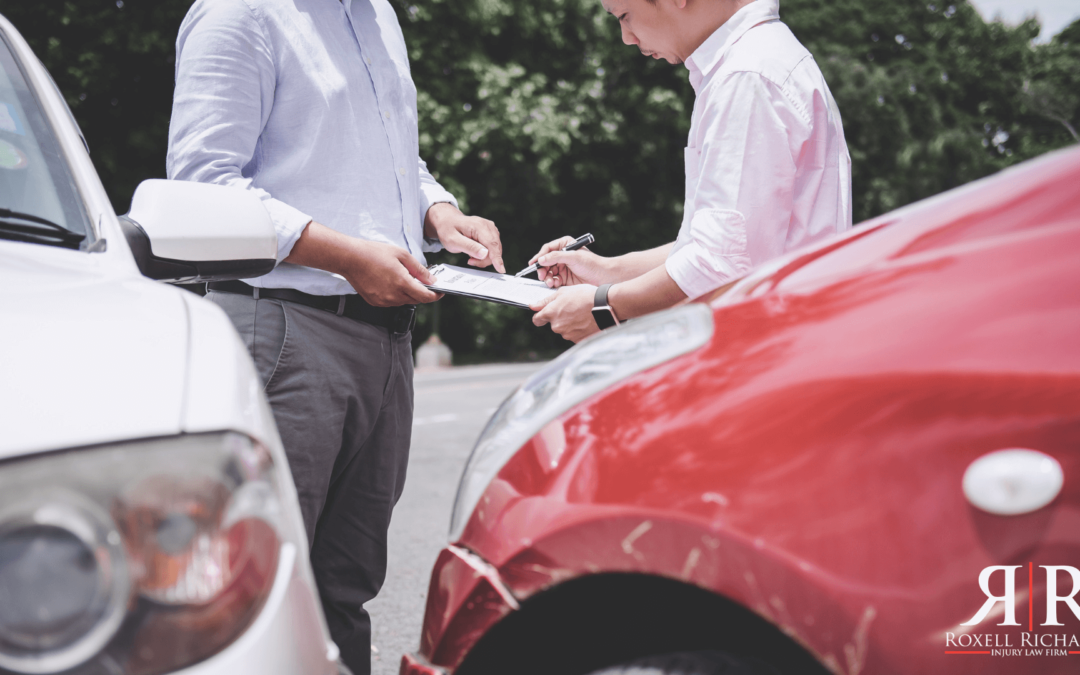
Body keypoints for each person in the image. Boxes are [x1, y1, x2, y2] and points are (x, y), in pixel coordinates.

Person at [166, 1, 503, 672]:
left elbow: (387, 150)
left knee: (344, 590)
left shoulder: (375, 12)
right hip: (284, 331)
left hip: (384, 340)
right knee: (258, 592)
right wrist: (349, 257)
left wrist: (437, 209)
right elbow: (201, 186)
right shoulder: (239, 15)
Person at [531, 0, 851, 342]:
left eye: (624, 16)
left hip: (771, 350)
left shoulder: (746, 77)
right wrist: (608, 271)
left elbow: (720, 262)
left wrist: (604, 306)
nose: (626, 37)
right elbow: (729, 246)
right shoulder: (756, 61)